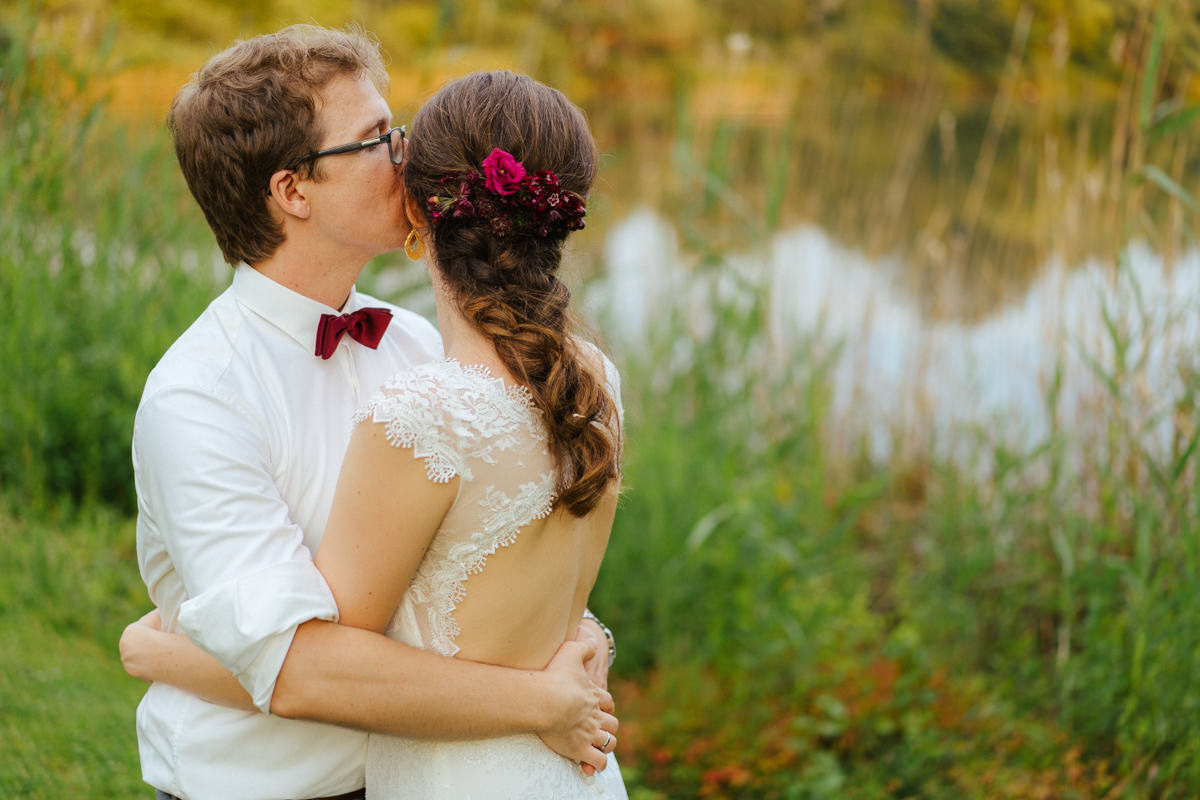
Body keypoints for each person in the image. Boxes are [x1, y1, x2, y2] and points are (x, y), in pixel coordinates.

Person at [121, 25, 616, 800]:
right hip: (270, 787)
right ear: (293, 190)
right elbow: (294, 667)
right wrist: (540, 702)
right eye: (378, 140)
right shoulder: (201, 396)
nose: (410, 159)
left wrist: (582, 647)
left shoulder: (419, 345)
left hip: (427, 772)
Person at [322, 69, 629, 798]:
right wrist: (594, 644)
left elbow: (328, 661)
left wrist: (157, 648)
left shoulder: (424, 416)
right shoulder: (595, 378)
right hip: (576, 776)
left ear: (416, 210)